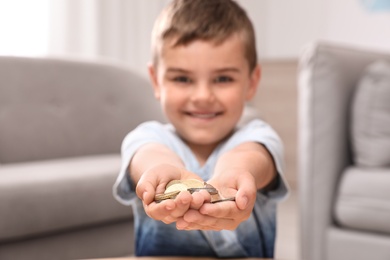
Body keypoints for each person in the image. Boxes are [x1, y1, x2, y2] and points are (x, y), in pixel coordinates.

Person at [113, 0, 288, 257]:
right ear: (156, 81)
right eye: (182, 79)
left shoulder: (257, 135)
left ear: (251, 82)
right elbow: (147, 157)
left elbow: (253, 157)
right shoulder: (147, 137)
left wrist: (237, 171)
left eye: (223, 78)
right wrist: (161, 173)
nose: (203, 96)